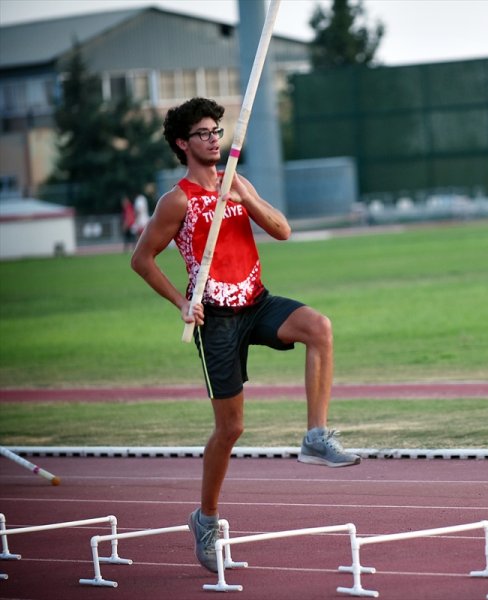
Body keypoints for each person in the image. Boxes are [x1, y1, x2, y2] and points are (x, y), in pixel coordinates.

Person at [130, 97, 360, 573]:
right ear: (182, 143)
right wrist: (181, 302)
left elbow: (283, 230)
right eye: (204, 133)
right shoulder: (177, 201)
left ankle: (316, 436)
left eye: (217, 130)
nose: (214, 138)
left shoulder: (237, 182)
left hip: (255, 302)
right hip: (214, 318)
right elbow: (141, 259)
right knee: (231, 428)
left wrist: (245, 197)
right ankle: (206, 518)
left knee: (319, 327)